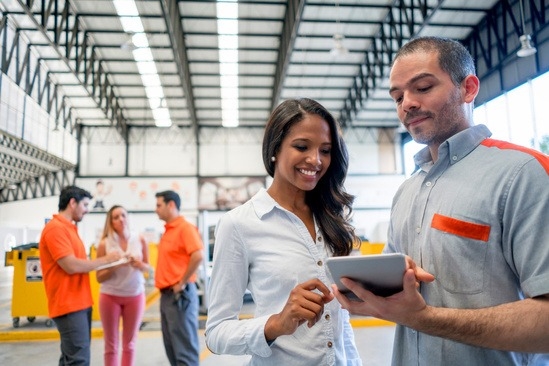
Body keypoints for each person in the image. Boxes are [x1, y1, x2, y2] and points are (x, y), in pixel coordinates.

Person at [332, 36, 549, 365]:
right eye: (398, 96)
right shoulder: (407, 192)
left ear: (469, 88)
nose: (407, 103)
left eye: (422, 87)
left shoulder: (523, 173)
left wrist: (425, 318)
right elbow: (396, 293)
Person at [205, 98, 363, 365]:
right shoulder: (239, 225)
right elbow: (217, 333)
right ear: (274, 149)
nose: (315, 160)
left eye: (325, 150)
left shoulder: (331, 219)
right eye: (302, 146)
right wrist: (276, 323)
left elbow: (339, 323)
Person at [39, 185, 122, 365]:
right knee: (79, 360)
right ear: (72, 203)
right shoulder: (56, 229)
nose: (87, 210)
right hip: (68, 304)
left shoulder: (69, 229)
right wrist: (106, 260)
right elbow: (71, 266)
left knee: (70, 358)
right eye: (84, 205)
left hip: (79, 302)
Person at [95, 205, 150, 366]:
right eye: (116, 217)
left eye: (123, 215)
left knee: (130, 344)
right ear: (110, 222)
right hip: (110, 296)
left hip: (135, 295)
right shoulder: (105, 244)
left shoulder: (139, 239)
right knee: (111, 345)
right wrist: (115, 264)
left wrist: (138, 264)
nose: (121, 220)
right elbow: (99, 277)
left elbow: (148, 268)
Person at [154, 190, 204, 366]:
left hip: (179, 296)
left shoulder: (184, 228)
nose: (156, 209)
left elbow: (198, 255)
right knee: (172, 348)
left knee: (184, 351)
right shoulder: (168, 231)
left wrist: (181, 283)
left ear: (171, 205)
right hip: (167, 296)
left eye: (159, 205)